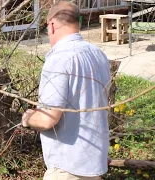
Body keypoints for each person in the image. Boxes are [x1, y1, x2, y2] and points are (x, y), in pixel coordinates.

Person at [21, 1, 111, 180]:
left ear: (52, 25)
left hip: (68, 168)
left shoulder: (59, 59)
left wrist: (28, 118)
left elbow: (48, 119)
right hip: (95, 164)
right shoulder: (99, 55)